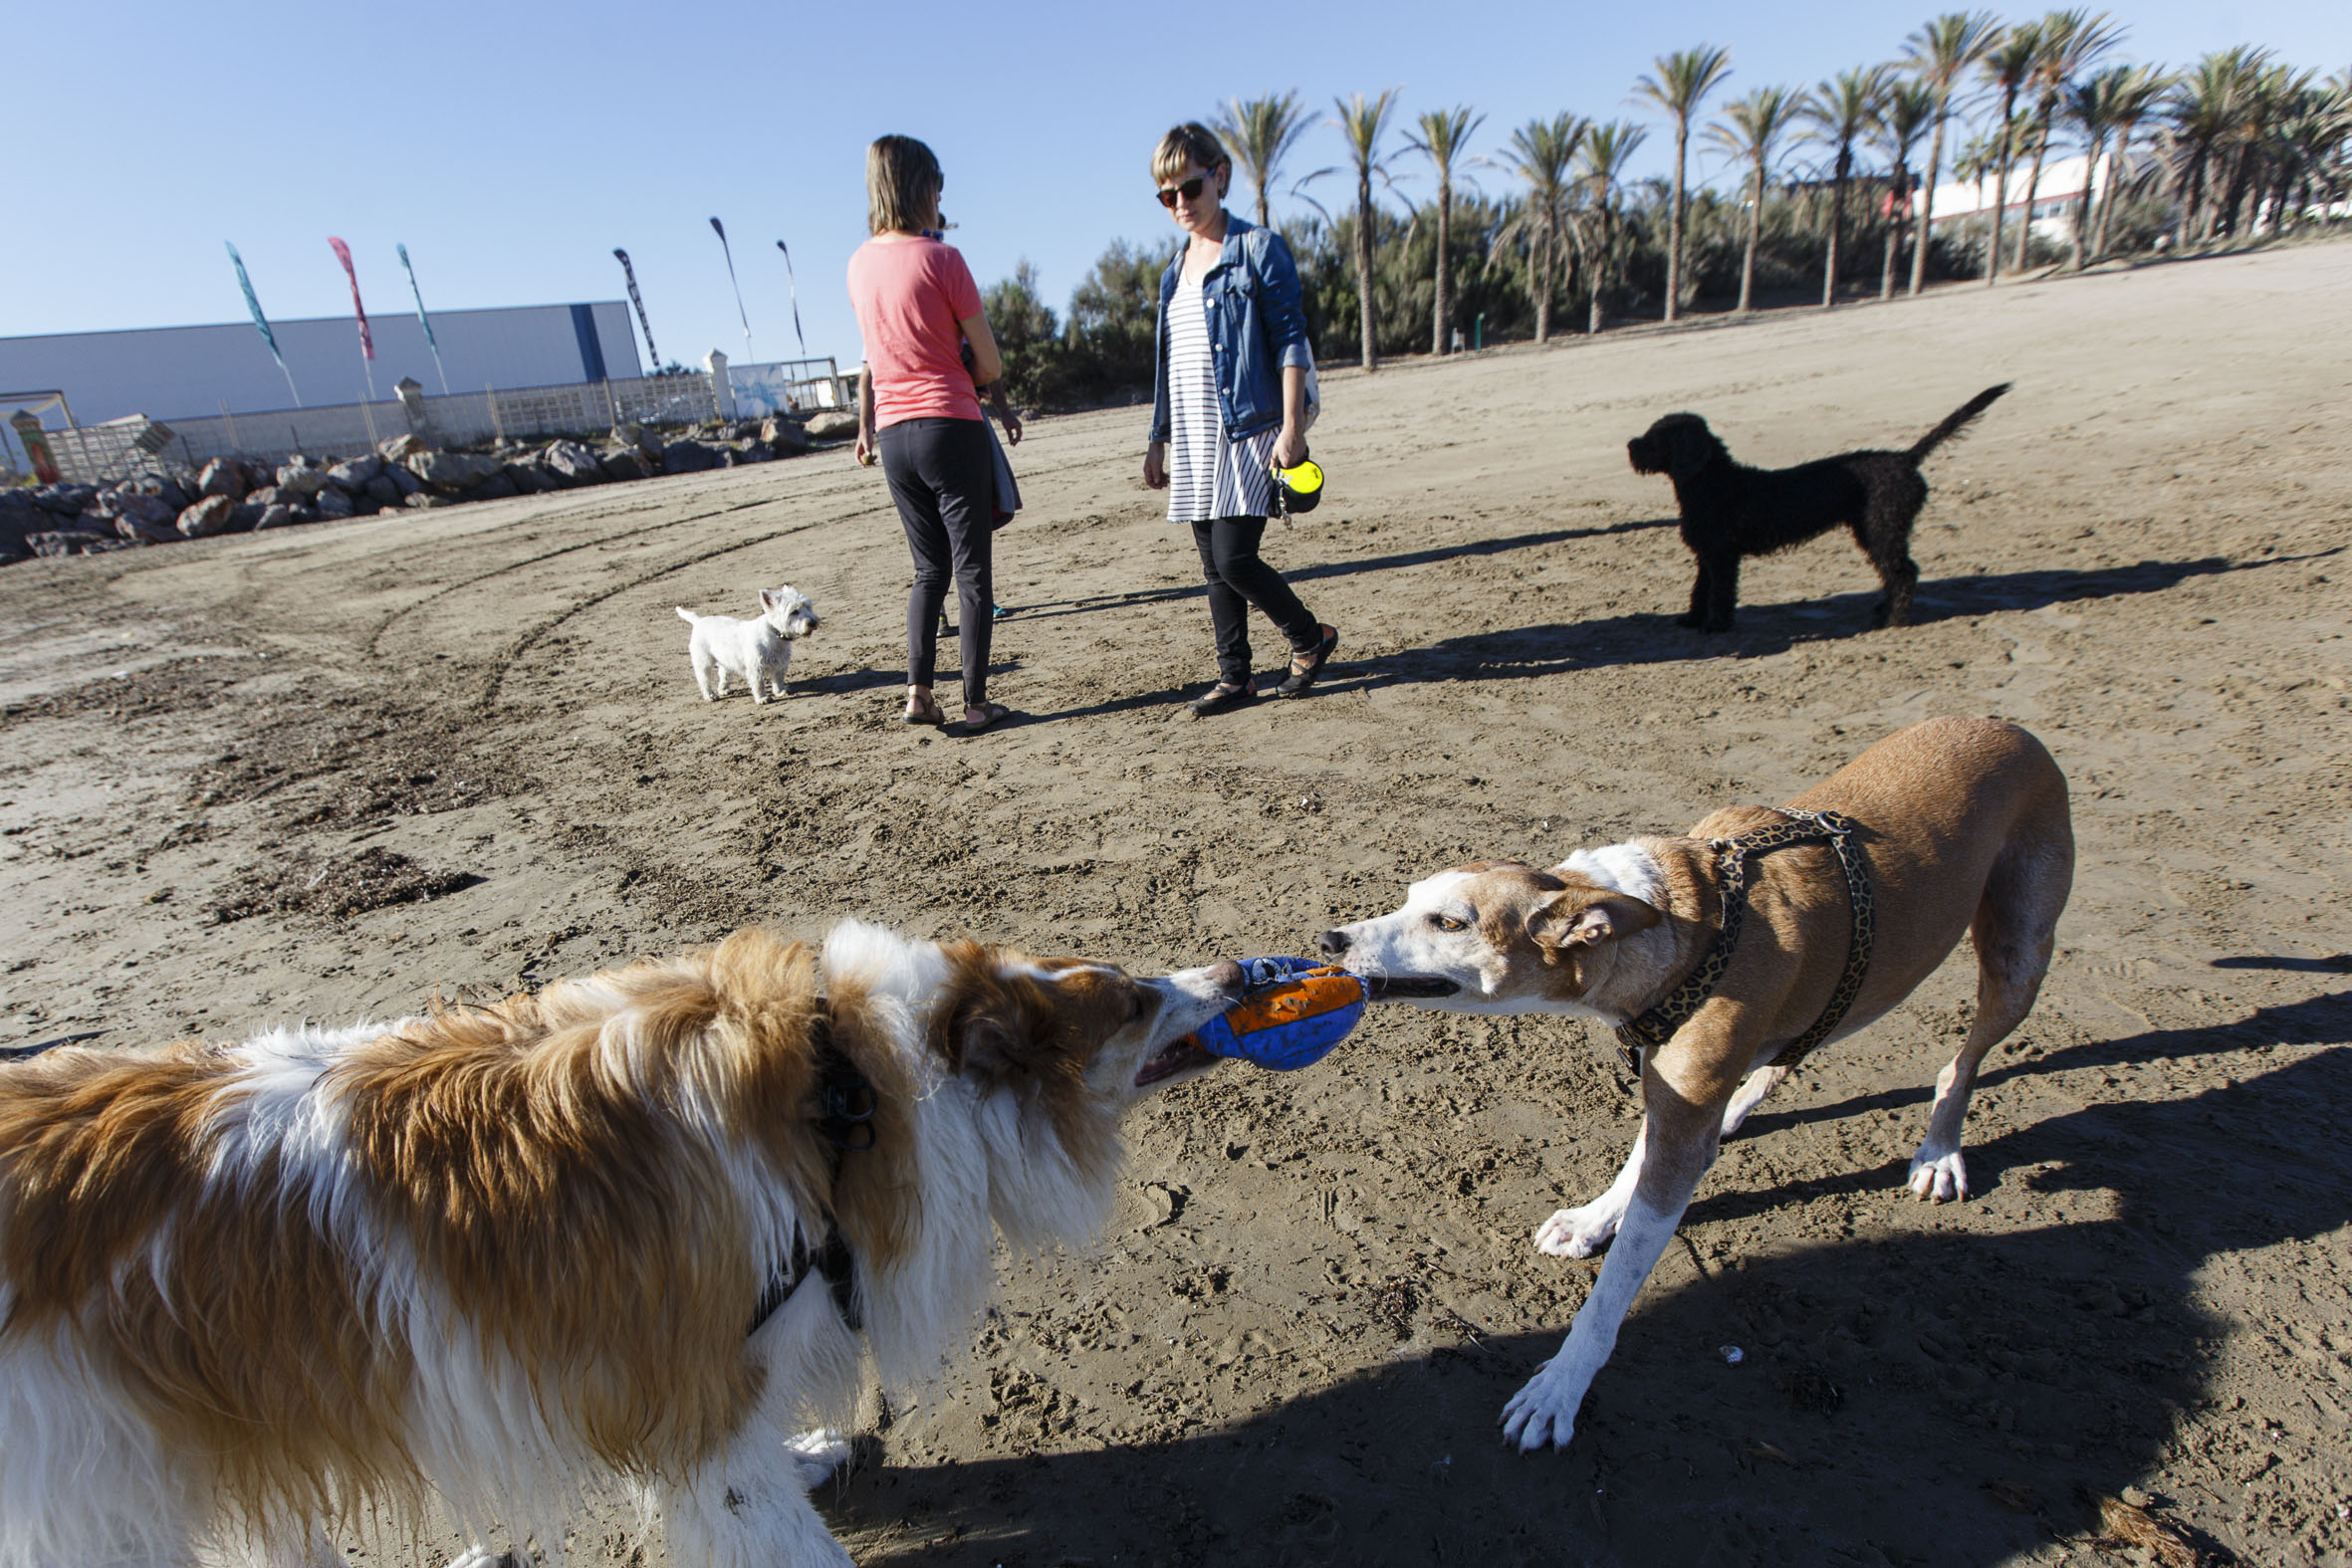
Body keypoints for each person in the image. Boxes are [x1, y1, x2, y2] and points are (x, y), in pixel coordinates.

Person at [1143, 121, 1337, 718]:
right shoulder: (1174, 272)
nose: (1179, 204)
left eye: (1190, 189)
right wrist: (1158, 438)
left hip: (1249, 426)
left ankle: (1310, 637)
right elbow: (1167, 362)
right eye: (1166, 195)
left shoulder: (1257, 249)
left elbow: (1291, 341)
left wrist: (1292, 427)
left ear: (1220, 177)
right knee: (1211, 565)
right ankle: (1236, 678)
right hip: (1195, 433)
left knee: (1234, 558)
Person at [848, 134, 1014, 732]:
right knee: (972, 571)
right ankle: (975, 702)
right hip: (950, 425)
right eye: (938, 185)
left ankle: (917, 691)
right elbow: (989, 363)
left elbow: (875, 356)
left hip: (894, 435)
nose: (942, 197)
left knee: (928, 570)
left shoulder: (859, 264)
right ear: (922, 188)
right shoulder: (942, 259)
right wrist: (963, 374)